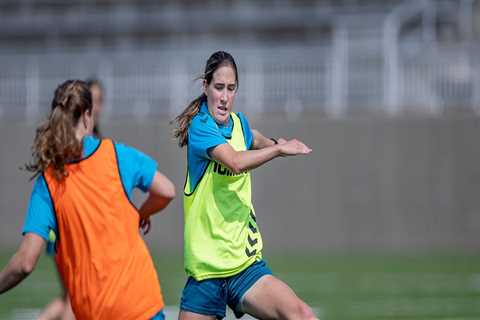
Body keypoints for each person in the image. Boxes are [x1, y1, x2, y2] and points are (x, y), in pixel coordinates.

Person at [0, 80, 175, 319]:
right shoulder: (115, 154)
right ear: (88, 115)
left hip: (95, 312)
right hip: (141, 305)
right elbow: (166, 190)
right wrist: (141, 214)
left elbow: (24, 262)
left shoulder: (49, 180)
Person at [174, 51, 317, 320]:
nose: (225, 97)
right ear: (205, 88)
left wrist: (277, 143)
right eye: (218, 88)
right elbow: (235, 162)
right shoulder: (201, 127)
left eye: (231, 89)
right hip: (206, 275)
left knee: (302, 315)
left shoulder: (240, 124)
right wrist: (279, 152)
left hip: (244, 268)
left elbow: (256, 139)